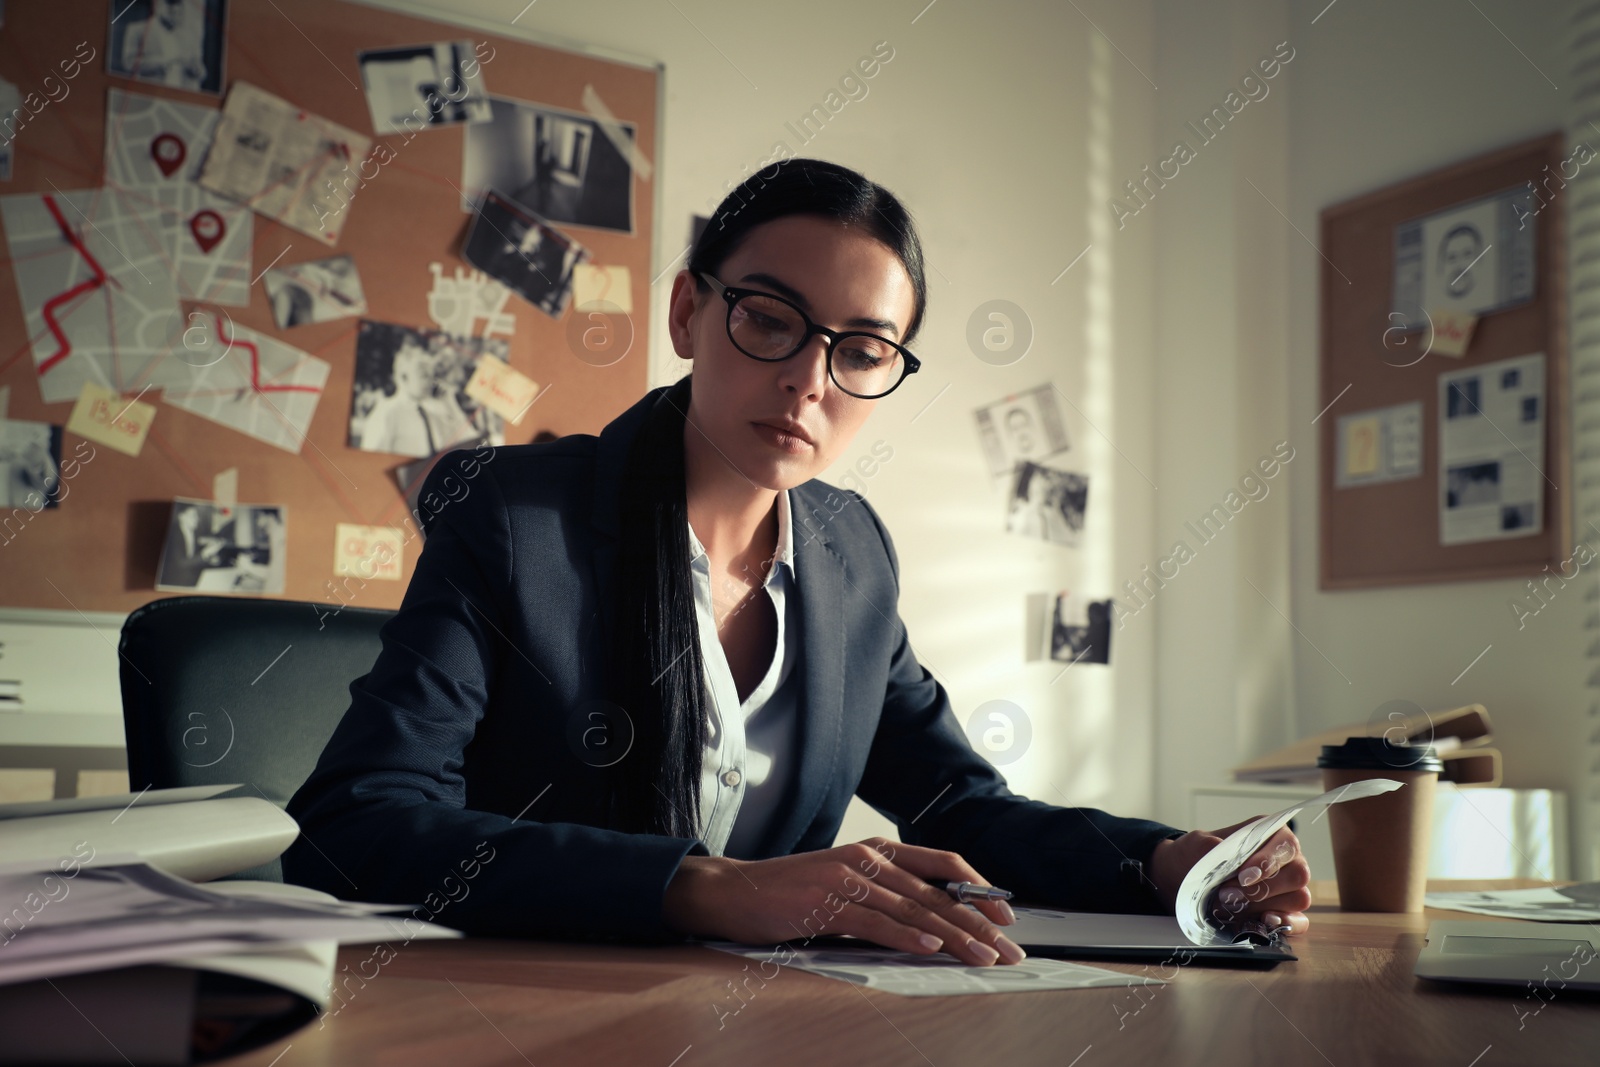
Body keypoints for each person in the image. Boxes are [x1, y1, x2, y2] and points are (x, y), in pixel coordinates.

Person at [285, 159, 1311, 964]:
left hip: (768, 1018)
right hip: (532, 1015)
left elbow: (958, 807)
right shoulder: (513, 517)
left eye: (861, 349)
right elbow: (353, 826)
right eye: (770, 319)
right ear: (689, 311)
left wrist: (1164, 860)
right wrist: (705, 884)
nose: (808, 379)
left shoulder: (850, 553)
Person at [358, 344, 471, 457]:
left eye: (431, 375)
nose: (431, 381)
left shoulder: (434, 412)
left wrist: (451, 404)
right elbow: (370, 461)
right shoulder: (386, 412)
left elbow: (468, 442)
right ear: (404, 377)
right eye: (423, 375)